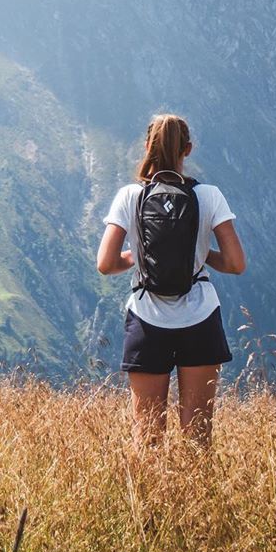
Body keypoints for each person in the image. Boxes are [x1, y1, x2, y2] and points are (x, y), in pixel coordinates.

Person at [96, 113, 246, 451]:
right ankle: (199, 503)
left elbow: (105, 264)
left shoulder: (130, 196)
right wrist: (200, 252)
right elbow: (236, 264)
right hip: (201, 319)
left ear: (147, 146)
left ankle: (151, 503)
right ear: (188, 149)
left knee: (146, 437)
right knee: (198, 438)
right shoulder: (209, 196)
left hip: (147, 320)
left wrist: (137, 255)